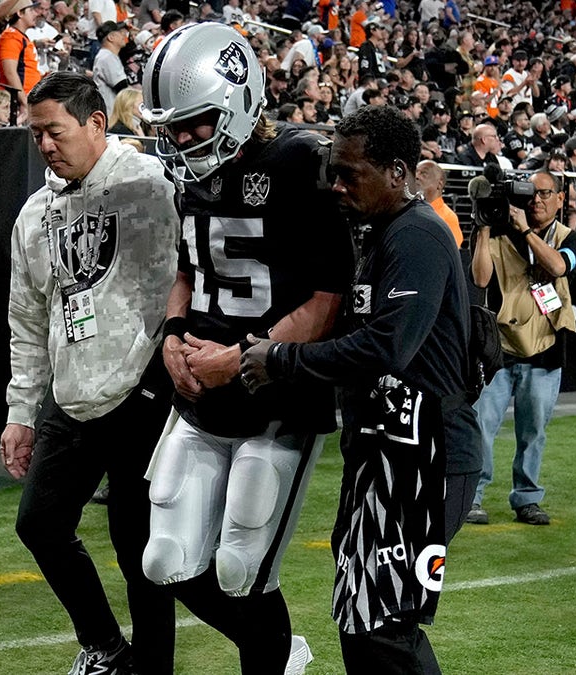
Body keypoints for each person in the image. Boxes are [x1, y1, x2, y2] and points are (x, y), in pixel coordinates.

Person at [139, 22, 353, 673]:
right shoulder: (194, 173)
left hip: (276, 397)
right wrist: (174, 335)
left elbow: (327, 295)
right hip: (202, 395)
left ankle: (271, 659)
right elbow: (186, 268)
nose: (178, 141)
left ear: (236, 100)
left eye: (193, 124)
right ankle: (278, 651)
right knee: (165, 559)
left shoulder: (298, 161)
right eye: (169, 128)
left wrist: (242, 356)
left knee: (242, 566)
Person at [239, 104, 481, 675]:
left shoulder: (418, 236)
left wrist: (282, 358)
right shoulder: (380, 231)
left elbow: (387, 347)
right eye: (333, 172)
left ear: (398, 172)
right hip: (387, 449)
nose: (337, 186)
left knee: (383, 623)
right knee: (361, 613)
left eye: (350, 174)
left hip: (428, 455)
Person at [0, 71, 180, 675]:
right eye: (35, 135)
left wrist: (160, 372)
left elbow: (175, 288)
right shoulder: (34, 216)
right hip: (71, 393)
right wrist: (21, 412)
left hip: (143, 393)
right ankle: (107, 648)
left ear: (96, 124)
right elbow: (26, 320)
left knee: (140, 551)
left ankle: (152, 668)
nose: (45, 145)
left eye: (54, 131)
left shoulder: (146, 187)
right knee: (40, 524)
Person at [466, 169, 576, 526]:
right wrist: (484, 228)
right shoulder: (498, 230)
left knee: (533, 431)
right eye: (531, 193)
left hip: (545, 351)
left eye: (546, 194)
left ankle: (527, 499)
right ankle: (472, 498)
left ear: (561, 199)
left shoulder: (570, 238)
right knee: (481, 426)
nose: (536, 200)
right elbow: (480, 278)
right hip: (498, 349)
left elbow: (558, 265)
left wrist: (526, 231)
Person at [416, 159, 462, 247]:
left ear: (439, 184)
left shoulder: (448, 217)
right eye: (416, 172)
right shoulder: (407, 210)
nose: (416, 176)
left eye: (424, 173)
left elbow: (452, 253)